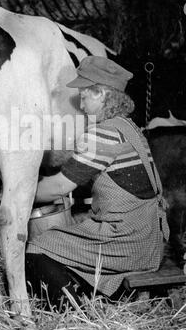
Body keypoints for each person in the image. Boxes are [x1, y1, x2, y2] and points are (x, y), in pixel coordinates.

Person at [25, 55, 169, 311]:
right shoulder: (128, 127)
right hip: (150, 238)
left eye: (84, 93)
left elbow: (59, 187)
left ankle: (74, 313)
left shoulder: (102, 133)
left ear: (102, 94)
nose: (79, 101)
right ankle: (98, 297)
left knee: (39, 247)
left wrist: (18, 193)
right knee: (78, 228)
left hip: (128, 243)